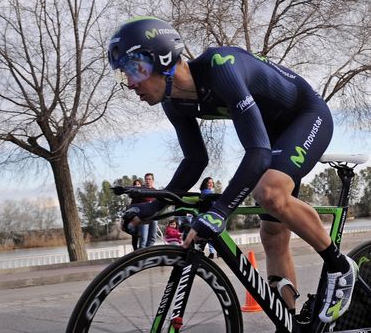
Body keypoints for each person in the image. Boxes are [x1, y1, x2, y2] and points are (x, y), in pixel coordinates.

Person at [111, 17, 356, 323]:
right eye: (124, 76)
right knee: (272, 235)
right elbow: (194, 161)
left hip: (306, 115)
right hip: (273, 134)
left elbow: (258, 152)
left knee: (269, 192)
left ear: (161, 59)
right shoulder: (173, 102)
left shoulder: (219, 66)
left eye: (134, 70)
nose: (131, 84)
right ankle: (291, 324)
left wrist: (221, 210)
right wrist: (155, 204)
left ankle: (340, 267)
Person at [137, 173, 159, 247]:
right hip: (144, 218)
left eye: (149, 179)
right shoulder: (140, 190)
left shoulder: (156, 191)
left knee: (152, 238)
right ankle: (141, 256)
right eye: (146, 179)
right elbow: (134, 203)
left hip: (154, 217)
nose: (148, 181)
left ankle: (148, 255)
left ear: (153, 180)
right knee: (143, 239)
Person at [199, 177, 218, 259]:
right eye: (209, 182)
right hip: (209, 216)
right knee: (212, 235)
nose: (211, 184)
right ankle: (214, 252)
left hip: (202, 216)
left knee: (208, 235)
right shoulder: (208, 193)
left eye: (212, 182)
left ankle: (211, 252)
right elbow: (214, 205)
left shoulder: (202, 193)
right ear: (205, 183)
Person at [128, 178, 143, 250]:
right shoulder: (132, 196)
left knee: (142, 235)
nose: (137, 185)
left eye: (138, 184)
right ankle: (135, 250)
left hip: (142, 218)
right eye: (135, 184)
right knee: (134, 235)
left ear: (141, 185)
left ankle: (141, 250)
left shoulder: (144, 195)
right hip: (134, 218)